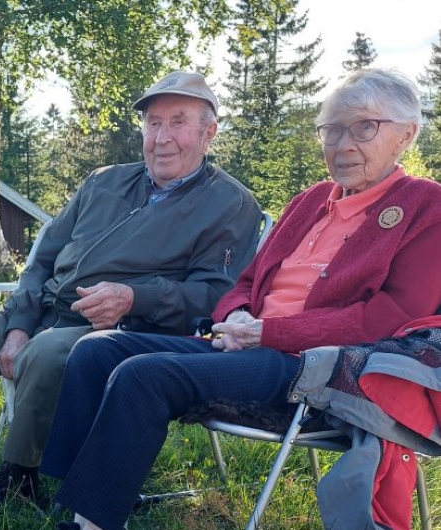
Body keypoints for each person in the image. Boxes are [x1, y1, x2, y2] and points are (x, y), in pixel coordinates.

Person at [41, 68, 441, 530]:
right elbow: (246, 281)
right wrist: (237, 317)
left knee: (144, 374)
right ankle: (78, 500)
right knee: (96, 350)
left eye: (364, 127)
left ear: (406, 135)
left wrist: (267, 333)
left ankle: (91, 523)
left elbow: (391, 318)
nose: (343, 144)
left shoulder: (426, 205)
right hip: (247, 346)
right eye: (331, 129)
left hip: (312, 370)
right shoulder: (311, 200)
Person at [0, 71, 262, 508]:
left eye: (178, 122)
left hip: (125, 331)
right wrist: (18, 326)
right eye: (153, 123)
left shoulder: (230, 204)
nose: (162, 138)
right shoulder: (104, 181)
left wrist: (134, 298)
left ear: (209, 133)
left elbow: (215, 295)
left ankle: (20, 477)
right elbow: (41, 260)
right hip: (44, 312)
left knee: (46, 352)